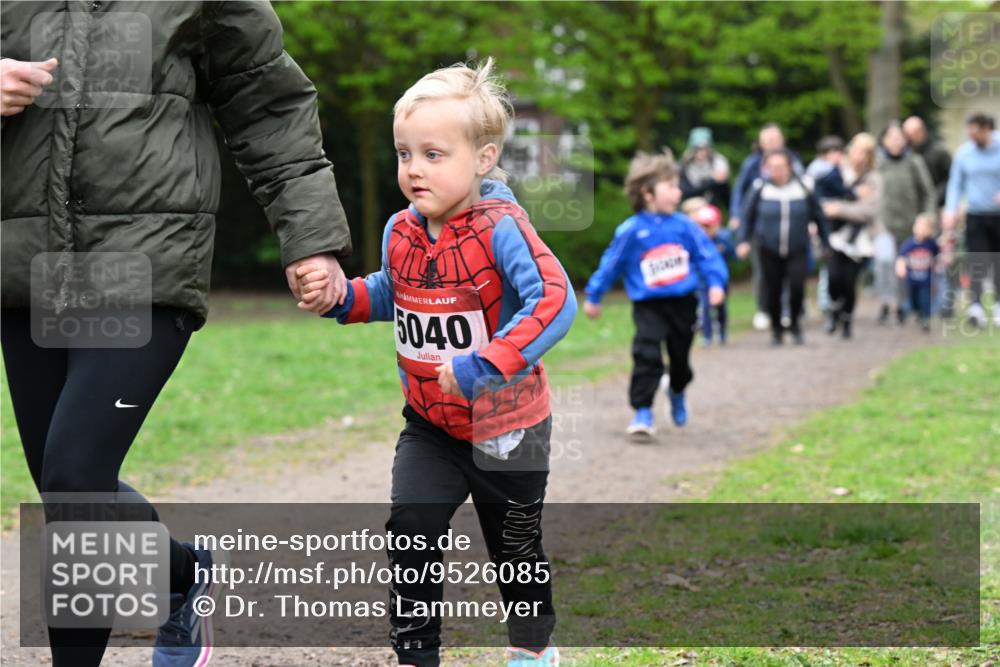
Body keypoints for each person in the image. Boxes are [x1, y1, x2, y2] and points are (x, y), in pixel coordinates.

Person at [0, 4, 351, 666]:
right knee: (70, 486)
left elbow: (267, 102)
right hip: (27, 263)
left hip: (144, 258)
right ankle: (185, 575)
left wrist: (309, 239)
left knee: (76, 476)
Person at [298, 59, 573, 667]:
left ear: (483, 158)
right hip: (430, 425)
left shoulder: (503, 228)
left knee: (515, 548)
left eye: (433, 154)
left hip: (510, 425)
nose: (414, 169)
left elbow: (554, 300)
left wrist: (485, 363)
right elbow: (394, 293)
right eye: (404, 154)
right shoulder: (401, 230)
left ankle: (533, 651)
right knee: (411, 531)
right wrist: (341, 295)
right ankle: (416, 655)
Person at [584, 150, 728, 438]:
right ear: (648, 193)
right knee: (646, 354)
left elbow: (707, 255)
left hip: (683, 303)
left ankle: (676, 389)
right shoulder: (631, 230)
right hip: (648, 305)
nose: (679, 191)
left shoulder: (685, 225)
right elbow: (611, 264)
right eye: (671, 186)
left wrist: (715, 283)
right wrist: (594, 295)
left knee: (680, 360)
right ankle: (643, 411)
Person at [737, 149, 829, 345]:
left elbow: (818, 216)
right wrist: (743, 240)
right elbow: (747, 217)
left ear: (789, 167)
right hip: (768, 248)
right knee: (773, 289)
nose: (777, 171)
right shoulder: (760, 188)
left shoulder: (803, 187)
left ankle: (795, 324)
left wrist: (825, 241)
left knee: (797, 286)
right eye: (772, 167)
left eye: (781, 167)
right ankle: (777, 330)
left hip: (797, 247)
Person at [729, 123, 804, 331]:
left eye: (775, 139)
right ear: (761, 143)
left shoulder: (794, 161)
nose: (771, 144)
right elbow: (739, 191)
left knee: (791, 272)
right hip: (761, 226)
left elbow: (805, 189)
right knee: (763, 271)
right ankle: (764, 309)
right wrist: (737, 216)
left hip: (790, 225)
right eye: (767, 140)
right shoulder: (752, 165)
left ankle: (788, 310)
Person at [875, 122, 936, 325]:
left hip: (909, 225)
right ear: (883, 140)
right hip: (883, 224)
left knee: (905, 267)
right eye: (891, 136)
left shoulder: (914, 161)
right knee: (885, 262)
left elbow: (928, 192)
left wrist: (927, 217)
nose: (895, 140)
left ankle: (903, 305)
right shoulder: (877, 162)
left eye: (899, 136)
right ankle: (886, 302)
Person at [943, 112, 1000, 328]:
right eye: (969, 132)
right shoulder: (964, 153)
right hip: (975, 214)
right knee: (978, 260)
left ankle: (997, 305)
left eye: (975, 132)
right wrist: (951, 209)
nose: (971, 136)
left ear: (987, 130)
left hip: (998, 215)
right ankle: (975, 307)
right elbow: (955, 183)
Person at [823, 133, 882, 339]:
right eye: (858, 150)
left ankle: (846, 320)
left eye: (865, 153)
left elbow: (868, 212)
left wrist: (839, 208)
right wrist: (852, 202)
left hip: (861, 240)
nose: (860, 156)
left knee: (849, 281)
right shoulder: (838, 173)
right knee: (833, 278)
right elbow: (823, 201)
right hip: (836, 236)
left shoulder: (874, 179)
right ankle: (834, 310)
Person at [805, 135, 852, 315]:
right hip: (823, 223)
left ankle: (826, 301)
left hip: (833, 223)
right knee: (826, 264)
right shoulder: (826, 172)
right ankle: (826, 301)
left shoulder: (823, 170)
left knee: (828, 266)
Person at [687, 202, 734, 345]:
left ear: (717, 225)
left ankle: (722, 332)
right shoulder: (696, 242)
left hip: (721, 282)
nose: (706, 230)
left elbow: (733, 254)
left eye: (709, 226)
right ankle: (706, 335)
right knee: (705, 308)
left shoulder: (723, 240)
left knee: (721, 308)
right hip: (702, 282)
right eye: (702, 226)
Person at [895, 213, 940, 332]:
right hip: (911, 279)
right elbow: (902, 258)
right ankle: (910, 311)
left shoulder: (931, 244)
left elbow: (938, 255)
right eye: (919, 225)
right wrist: (901, 267)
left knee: (925, 300)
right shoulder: (909, 244)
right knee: (913, 301)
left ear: (930, 230)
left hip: (926, 279)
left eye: (925, 227)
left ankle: (925, 319)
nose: (921, 229)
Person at [903, 116, 953, 208]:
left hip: (938, 205)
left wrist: (935, 196)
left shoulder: (939, 151)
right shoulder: (905, 152)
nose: (909, 138)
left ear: (922, 131)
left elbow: (951, 178)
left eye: (912, 134)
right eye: (907, 134)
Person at [679, 127, 730, 207]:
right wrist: (713, 181)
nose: (701, 152)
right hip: (690, 207)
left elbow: (727, 197)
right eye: (698, 149)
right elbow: (687, 192)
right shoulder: (685, 165)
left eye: (704, 149)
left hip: (711, 208)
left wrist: (722, 181)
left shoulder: (717, 163)